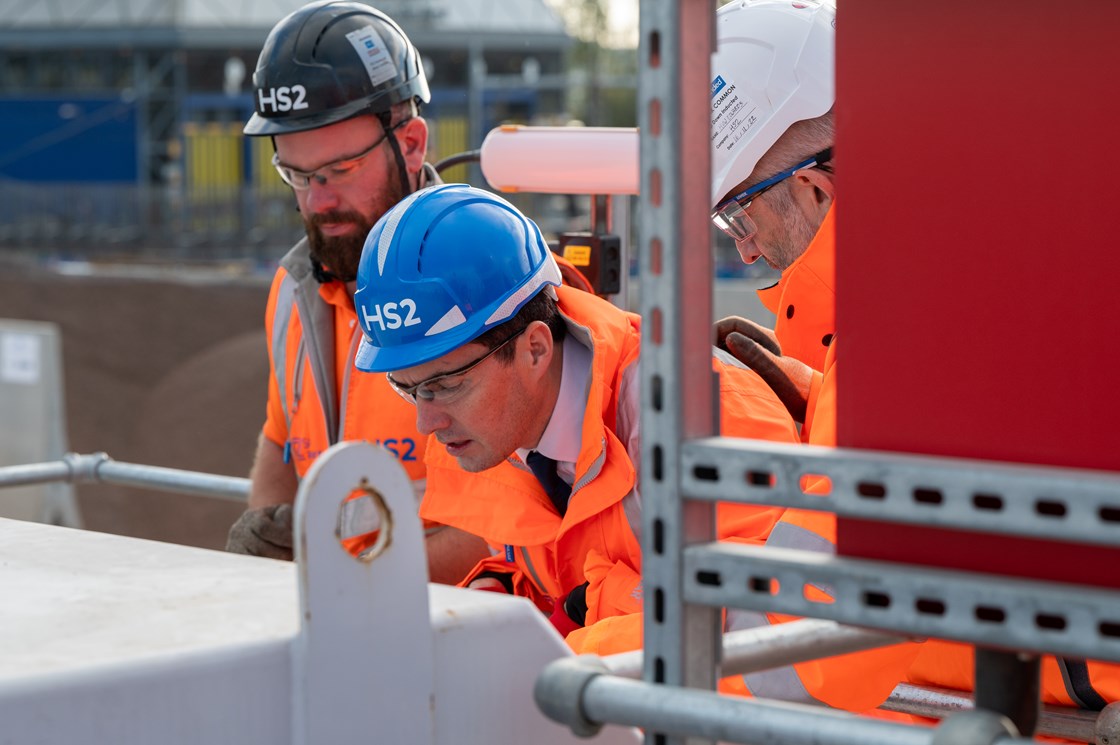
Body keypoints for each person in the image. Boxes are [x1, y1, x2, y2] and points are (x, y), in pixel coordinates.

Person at [706, 0, 1119, 723]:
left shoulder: (909, 343)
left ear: (814, 188)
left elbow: (795, 659)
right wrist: (819, 404)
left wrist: (574, 654)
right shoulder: (973, 254)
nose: (743, 249)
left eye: (742, 213)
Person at [351, 183, 800, 641]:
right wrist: (507, 592)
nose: (427, 423)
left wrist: (588, 614)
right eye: (408, 390)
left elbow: (771, 632)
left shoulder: (702, 417)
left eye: (445, 386)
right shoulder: (503, 425)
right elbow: (557, 573)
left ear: (535, 349)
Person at [224, 0, 488, 583]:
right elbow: (281, 445)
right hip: (336, 633)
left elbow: (503, 530)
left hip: (460, 641)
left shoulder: (488, 284)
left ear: (412, 144)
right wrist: (267, 538)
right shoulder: (294, 294)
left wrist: (340, 575)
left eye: (339, 171)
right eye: (297, 174)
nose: (316, 201)